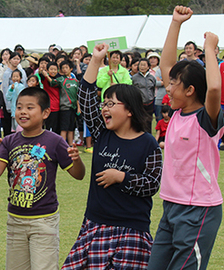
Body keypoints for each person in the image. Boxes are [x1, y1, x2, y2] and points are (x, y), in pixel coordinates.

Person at [62, 42, 162, 270]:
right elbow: (85, 97)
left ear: (129, 110)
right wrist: (96, 60)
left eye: (111, 104)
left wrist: (121, 177)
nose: (104, 108)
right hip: (95, 224)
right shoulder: (102, 134)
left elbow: (152, 184)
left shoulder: (149, 143)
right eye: (104, 104)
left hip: (132, 230)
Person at [148, 7, 224, 270]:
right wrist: (175, 23)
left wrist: (210, 49)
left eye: (174, 85)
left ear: (190, 90)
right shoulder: (179, 114)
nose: (168, 88)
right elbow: (168, 64)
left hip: (198, 210)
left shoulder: (207, 118)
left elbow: (214, 87)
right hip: (171, 205)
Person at [0, 87, 85, 270]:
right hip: (15, 220)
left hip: (44, 221)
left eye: (30, 107)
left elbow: (78, 175)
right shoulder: (8, 141)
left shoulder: (54, 141)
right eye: (19, 107)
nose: (23, 112)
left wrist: (76, 160)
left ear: (45, 112)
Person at [132, 59, 157, 133]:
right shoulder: (134, 78)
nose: (142, 67)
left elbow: (153, 89)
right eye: (140, 65)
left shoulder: (151, 77)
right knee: (140, 121)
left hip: (149, 103)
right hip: (139, 103)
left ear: (148, 67)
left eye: (144, 65)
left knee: (149, 121)